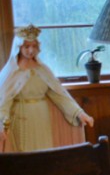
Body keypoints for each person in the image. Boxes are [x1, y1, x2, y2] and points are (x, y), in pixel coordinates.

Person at [0, 24, 94, 152]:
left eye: (33, 46)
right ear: (19, 47)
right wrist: (1, 124)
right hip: (22, 117)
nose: (30, 50)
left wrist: (79, 113)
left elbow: (60, 95)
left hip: (42, 117)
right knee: (24, 154)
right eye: (26, 46)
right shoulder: (12, 71)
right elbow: (4, 100)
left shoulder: (42, 70)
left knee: (44, 151)